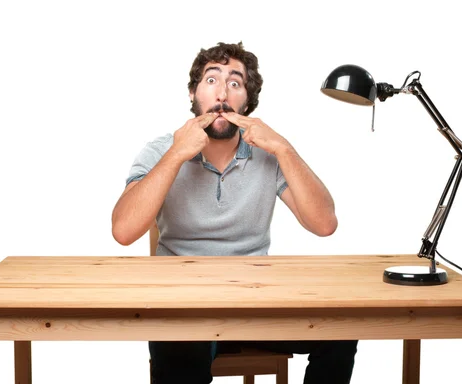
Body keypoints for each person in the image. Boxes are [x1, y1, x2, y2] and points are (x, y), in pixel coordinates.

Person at [111, 42, 357, 384]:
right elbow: (123, 230)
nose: (223, 93)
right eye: (211, 80)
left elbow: (324, 224)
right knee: (179, 349)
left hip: (256, 303)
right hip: (183, 305)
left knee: (342, 328)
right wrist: (176, 155)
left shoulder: (270, 155)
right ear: (195, 94)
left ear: (247, 102)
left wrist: (283, 148)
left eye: (235, 83)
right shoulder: (160, 150)